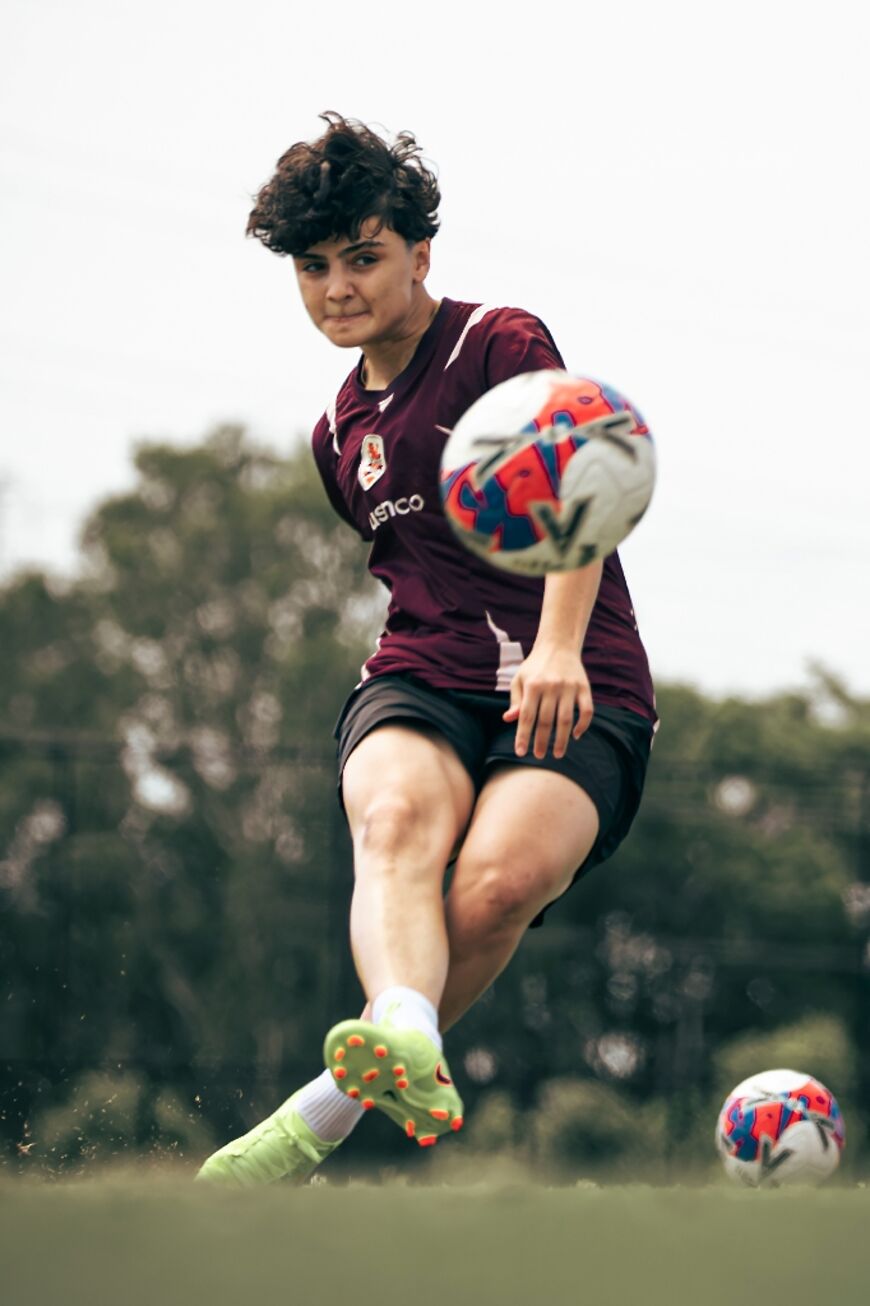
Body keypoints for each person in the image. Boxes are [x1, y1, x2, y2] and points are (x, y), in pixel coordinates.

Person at [196, 113, 656, 1186]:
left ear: (419, 253)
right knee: (395, 818)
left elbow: (578, 473)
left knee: (498, 886)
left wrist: (555, 647)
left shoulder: (499, 343)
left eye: (362, 256)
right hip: (422, 672)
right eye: (312, 268)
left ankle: (324, 1109)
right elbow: (413, 575)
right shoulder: (336, 436)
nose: (337, 287)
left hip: (577, 673)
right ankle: (402, 1021)